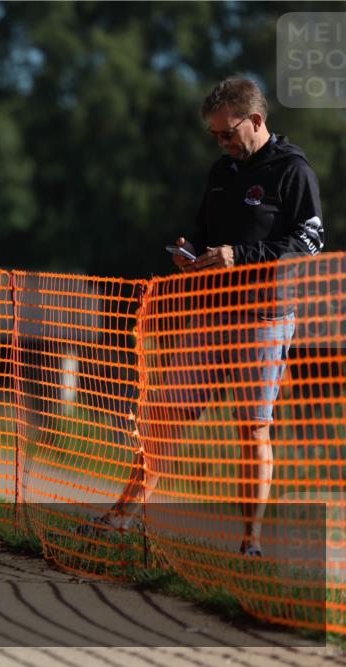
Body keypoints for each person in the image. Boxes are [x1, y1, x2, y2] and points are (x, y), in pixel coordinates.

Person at [86, 78, 324, 557]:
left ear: (255, 121)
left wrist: (243, 255)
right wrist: (190, 250)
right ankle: (121, 517)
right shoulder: (222, 171)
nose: (222, 143)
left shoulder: (293, 170)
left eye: (227, 133)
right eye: (215, 136)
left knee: (253, 429)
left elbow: (311, 242)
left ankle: (250, 544)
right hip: (210, 314)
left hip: (264, 317)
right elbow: (202, 230)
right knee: (165, 415)